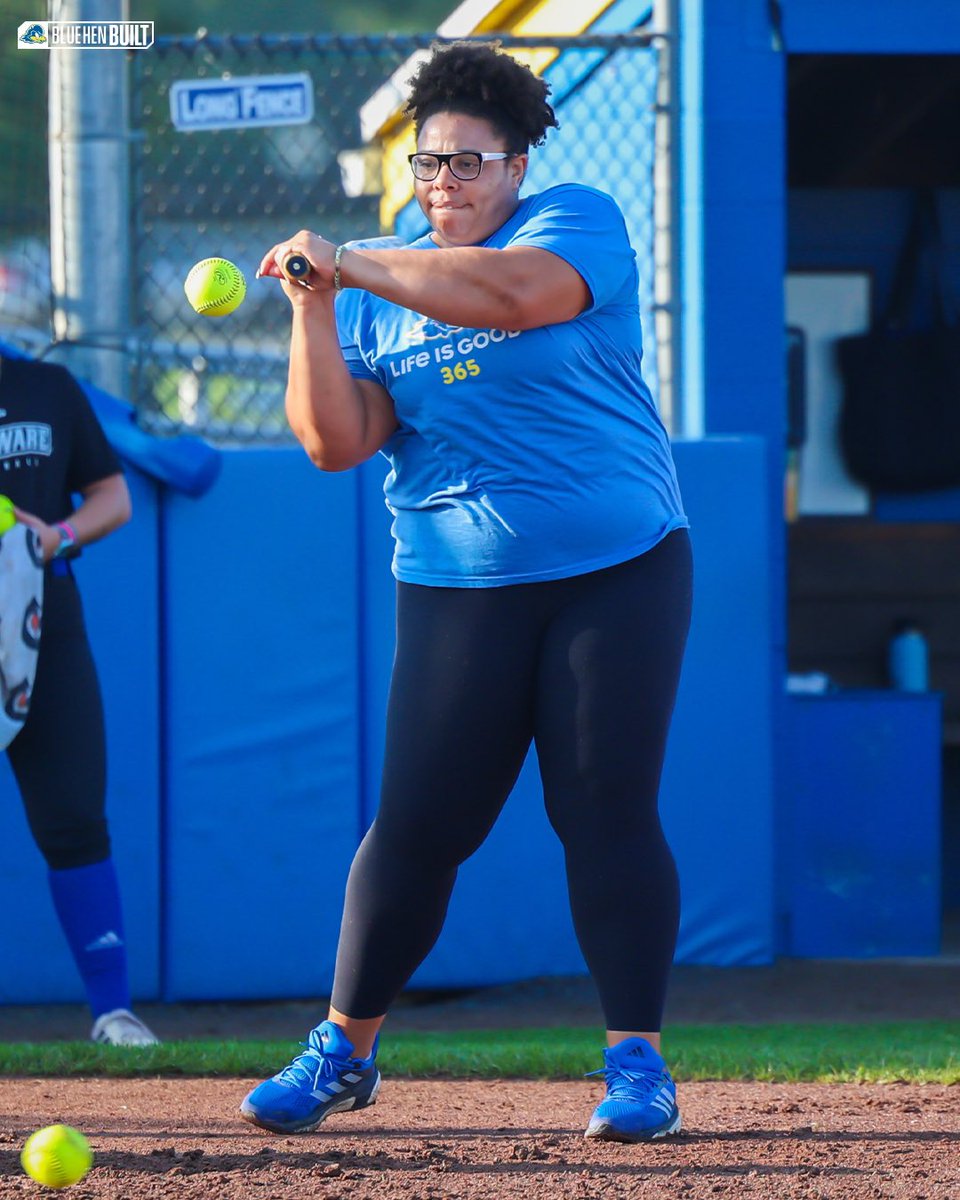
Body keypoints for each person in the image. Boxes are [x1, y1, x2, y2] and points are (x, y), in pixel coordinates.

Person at [243, 41, 692, 1143]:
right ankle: (344, 1049)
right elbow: (334, 441)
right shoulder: (370, 290)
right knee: (419, 827)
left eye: (469, 163)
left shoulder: (573, 220)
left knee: (603, 809)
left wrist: (346, 260)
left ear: (518, 164)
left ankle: (638, 1064)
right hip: (458, 582)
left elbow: (511, 298)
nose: (445, 183)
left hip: (616, 570)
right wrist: (312, 307)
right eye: (429, 163)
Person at [0, 351, 159, 1047]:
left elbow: (112, 496)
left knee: (73, 819)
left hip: (40, 620)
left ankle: (113, 1015)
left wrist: (55, 536)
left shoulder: (45, 384)